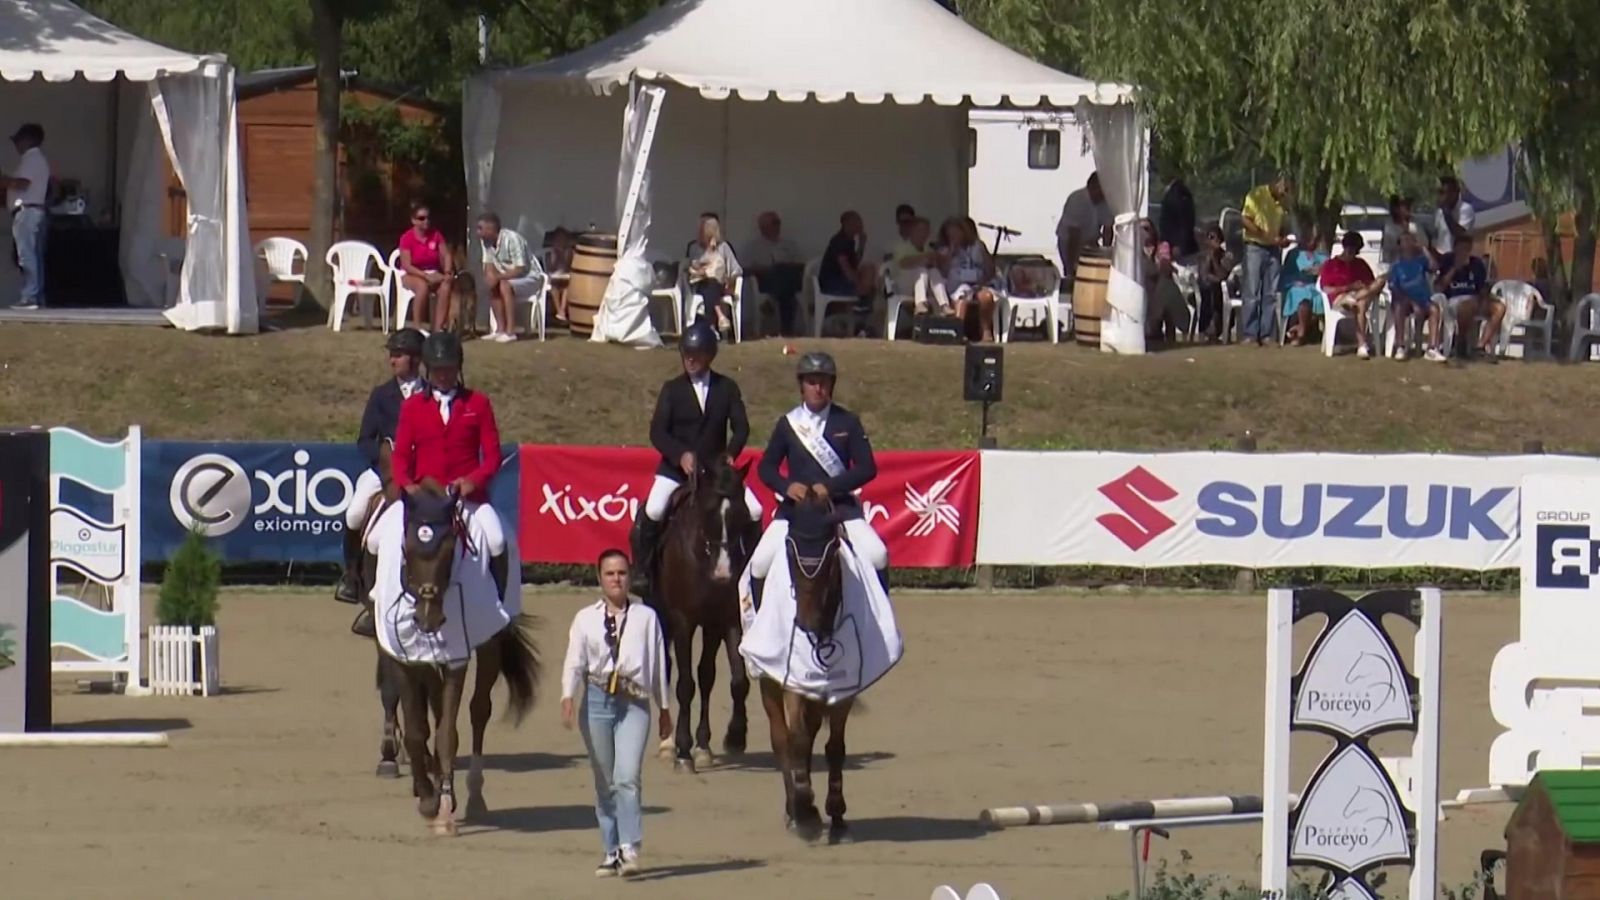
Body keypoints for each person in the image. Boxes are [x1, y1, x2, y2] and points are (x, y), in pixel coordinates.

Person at [630, 320, 763, 597]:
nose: (690, 359)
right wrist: (680, 455)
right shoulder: (672, 389)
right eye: (686, 353)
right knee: (653, 510)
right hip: (675, 471)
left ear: (709, 355)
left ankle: (753, 574)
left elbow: (741, 428)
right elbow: (658, 432)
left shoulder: (727, 387)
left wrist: (730, 454)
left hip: (715, 472)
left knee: (755, 510)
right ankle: (644, 571)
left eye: (696, 354)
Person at [561, 548, 671, 879]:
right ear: (599, 578)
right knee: (604, 780)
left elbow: (658, 664)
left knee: (627, 777)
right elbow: (574, 660)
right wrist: (568, 694)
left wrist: (664, 707)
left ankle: (630, 847)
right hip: (596, 701)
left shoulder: (646, 617)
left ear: (629, 576)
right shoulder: (585, 618)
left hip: (634, 701)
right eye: (610, 573)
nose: (616, 579)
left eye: (622, 573)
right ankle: (610, 850)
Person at [746, 352, 888, 606]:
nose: (818, 388)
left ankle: (878, 626)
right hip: (795, 511)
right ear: (802, 385)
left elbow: (867, 468)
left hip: (839, 509)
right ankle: (758, 631)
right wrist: (787, 486)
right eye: (812, 382)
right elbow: (766, 467)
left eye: (823, 382)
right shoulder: (787, 424)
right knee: (759, 564)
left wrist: (831, 487)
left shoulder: (848, 421)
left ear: (831, 385)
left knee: (878, 555)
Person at [390, 331, 511, 603]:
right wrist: (408, 486)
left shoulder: (478, 404)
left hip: (466, 498)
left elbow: (492, 457)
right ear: (428, 370)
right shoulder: (412, 407)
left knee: (496, 540)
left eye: (448, 369)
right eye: (437, 370)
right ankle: (375, 596)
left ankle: (498, 606)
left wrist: (471, 482)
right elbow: (400, 457)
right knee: (379, 539)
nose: (443, 376)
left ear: (458, 368)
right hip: (424, 498)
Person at [339, 328, 426, 629]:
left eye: (398, 355)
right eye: (391, 354)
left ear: (415, 359)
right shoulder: (381, 394)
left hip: (423, 473)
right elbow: (364, 439)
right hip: (384, 471)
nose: (392, 360)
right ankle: (351, 577)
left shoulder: (431, 394)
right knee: (354, 513)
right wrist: (384, 460)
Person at [1239, 175, 1294, 345]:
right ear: (1277, 182)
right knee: (1252, 292)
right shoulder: (1256, 195)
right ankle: (1250, 333)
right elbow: (1245, 219)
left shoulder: (1282, 203)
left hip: (1273, 250)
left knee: (1270, 293)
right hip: (1255, 246)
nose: (1285, 194)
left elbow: (1283, 224)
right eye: (1284, 189)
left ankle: (1267, 334)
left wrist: (1283, 238)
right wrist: (1264, 235)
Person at [476, 212, 543, 343]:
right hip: (507, 278)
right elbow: (488, 266)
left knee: (504, 285)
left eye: (480, 228)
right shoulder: (486, 242)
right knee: (494, 286)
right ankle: (500, 330)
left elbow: (520, 269)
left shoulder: (512, 239)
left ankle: (510, 331)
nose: (478, 232)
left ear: (490, 229)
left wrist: (498, 277)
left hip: (530, 278)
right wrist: (490, 278)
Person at [3, 123, 50, 310]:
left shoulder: (32, 159)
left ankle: (30, 297)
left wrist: (4, 180)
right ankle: (35, 296)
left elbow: (22, 184)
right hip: (33, 212)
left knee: (27, 257)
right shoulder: (35, 160)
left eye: (18, 140)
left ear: (28, 139)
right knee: (33, 256)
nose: (16, 145)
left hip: (27, 212)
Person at [1436, 232, 1502, 360]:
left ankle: (1481, 346)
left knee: (1500, 308)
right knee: (1469, 305)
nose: (1464, 252)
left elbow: (1481, 286)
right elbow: (1440, 287)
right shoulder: (1447, 261)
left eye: (1467, 249)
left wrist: (1485, 298)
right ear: (1455, 248)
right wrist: (1455, 268)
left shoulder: (1476, 263)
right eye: (1461, 249)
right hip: (1454, 300)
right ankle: (1460, 341)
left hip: (1475, 299)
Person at [1319, 231, 1384, 359]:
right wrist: (1348, 287)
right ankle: (1361, 345)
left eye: (1354, 250)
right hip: (1340, 298)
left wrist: (1360, 289)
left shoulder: (1360, 264)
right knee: (1360, 304)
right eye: (1349, 249)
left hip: (1360, 295)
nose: (1351, 253)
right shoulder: (1331, 265)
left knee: (1380, 281)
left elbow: (1372, 285)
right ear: (1344, 247)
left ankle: (1354, 299)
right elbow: (1326, 289)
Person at [1384, 230, 1445, 362]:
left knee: (1434, 309)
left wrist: (1424, 249)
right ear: (1400, 245)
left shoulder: (1421, 261)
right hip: (1403, 300)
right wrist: (1411, 301)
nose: (1408, 243)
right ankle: (1400, 346)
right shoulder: (1396, 266)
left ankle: (1432, 348)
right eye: (1405, 240)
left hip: (1422, 300)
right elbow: (1393, 287)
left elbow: (1435, 268)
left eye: (1410, 240)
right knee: (1399, 307)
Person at [935, 217, 999, 340]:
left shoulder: (977, 246)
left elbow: (990, 270)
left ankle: (985, 330)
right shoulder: (944, 250)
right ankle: (958, 331)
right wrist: (951, 253)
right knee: (962, 296)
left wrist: (983, 280)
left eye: (957, 233)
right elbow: (943, 271)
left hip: (978, 283)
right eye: (951, 235)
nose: (954, 237)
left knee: (986, 297)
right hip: (957, 285)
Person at [742, 211, 804, 335]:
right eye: (773, 223)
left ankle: (772, 299)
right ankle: (787, 331)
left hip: (789, 280)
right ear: (763, 227)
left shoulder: (789, 244)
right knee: (784, 284)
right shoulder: (753, 247)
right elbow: (743, 269)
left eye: (778, 223)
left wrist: (784, 267)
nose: (777, 226)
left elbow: (801, 264)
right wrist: (764, 269)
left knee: (784, 274)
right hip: (765, 281)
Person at [398, 201, 455, 332]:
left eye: (428, 218)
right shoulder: (407, 238)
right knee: (422, 287)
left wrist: (447, 272)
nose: (426, 221)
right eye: (421, 218)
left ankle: (438, 328)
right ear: (413, 221)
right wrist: (425, 276)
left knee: (446, 286)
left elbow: (446, 255)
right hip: (412, 274)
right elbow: (407, 265)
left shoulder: (436, 235)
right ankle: (417, 327)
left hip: (432, 272)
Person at [818, 210, 878, 335]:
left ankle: (860, 316)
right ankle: (860, 320)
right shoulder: (839, 241)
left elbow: (855, 263)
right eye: (857, 222)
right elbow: (845, 267)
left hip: (843, 280)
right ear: (846, 223)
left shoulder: (850, 241)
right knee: (867, 289)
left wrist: (861, 245)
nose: (860, 225)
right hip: (833, 282)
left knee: (869, 270)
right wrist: (859, 285)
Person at [686, 213, 743, 339]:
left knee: (712, 284)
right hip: (699, 283)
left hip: (720, 285)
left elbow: (737, 269)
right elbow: (690, 266)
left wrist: (731, 279)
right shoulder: (695, 248)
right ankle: (720, 317)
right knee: (709, 284)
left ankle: (711, 326)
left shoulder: (723, 247)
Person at [1056, 172, 1113, 291]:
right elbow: (1073, 236)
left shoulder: (1105, 201)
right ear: (1092, 186)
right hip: (1069, 241)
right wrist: (1071, 264)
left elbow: (1108, 230)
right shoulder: (1077, 199)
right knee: (1075, 274)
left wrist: (1106, 255)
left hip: (1091, 241)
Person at [1279, 227, 1328, 346]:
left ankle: (1300, 331)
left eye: (1313, 239)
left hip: (1315, 287)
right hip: (1296, 285)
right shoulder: (1293, 254)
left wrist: (1320, 272)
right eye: (1307, 238)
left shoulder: (1323, 256)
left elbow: (1329, 275)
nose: (1310, 241)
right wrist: (1295, 282)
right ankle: (1302, 332)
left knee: (1318, 297)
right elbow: (1285, 275)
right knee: (1301, 294)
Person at [1196, 224, 1235, 341]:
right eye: (1211, 237)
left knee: (1216, 291)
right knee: (1208, 290)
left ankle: (1216, 328)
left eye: (1216, 238)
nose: (1214, 241)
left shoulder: (1226, 256)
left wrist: (1214, 258)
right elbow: (1203, 275)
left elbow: (1223, 275)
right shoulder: (1202, 256)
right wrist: (1210, 257)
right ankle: (1205, 328)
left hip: (1222, 290)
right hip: (1206, 289)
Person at [1429, 175, 1476, 270]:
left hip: (1458, 259)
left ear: (1455, 193)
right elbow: (1436, 235)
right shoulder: (1439, 212)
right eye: (1440, 193)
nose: (1442, 197)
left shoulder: (1466, 209)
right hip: (1442, 257)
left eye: (1444, 192)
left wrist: (1446, 212)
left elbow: (1459, 234)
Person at [1159, 173, 1200, 261]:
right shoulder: (1173, 191)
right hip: (1172, 245)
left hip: (1178, 246)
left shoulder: (1178, 193)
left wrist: (1179, 245)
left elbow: (1185, 221)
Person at [1380, 195, 1425, 268]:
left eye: (1409, 205)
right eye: (1405, 205)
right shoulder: (1390, 227)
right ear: (1395, 208)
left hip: (1417, 265)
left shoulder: (1414, 224)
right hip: (1397, 267)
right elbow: (1388, 250)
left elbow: (1424, 243)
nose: (1409, 208)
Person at [546, 227, 575, 322]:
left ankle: (562, 311)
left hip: (566, 276)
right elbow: (550, 268)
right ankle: (560, 311)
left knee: (567, 288)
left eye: (562, 239)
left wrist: (564, 255)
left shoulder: (569, 251)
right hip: (556, 276)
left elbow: (569, 266)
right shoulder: (551, 252)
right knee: (554, 288)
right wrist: (556, 257)